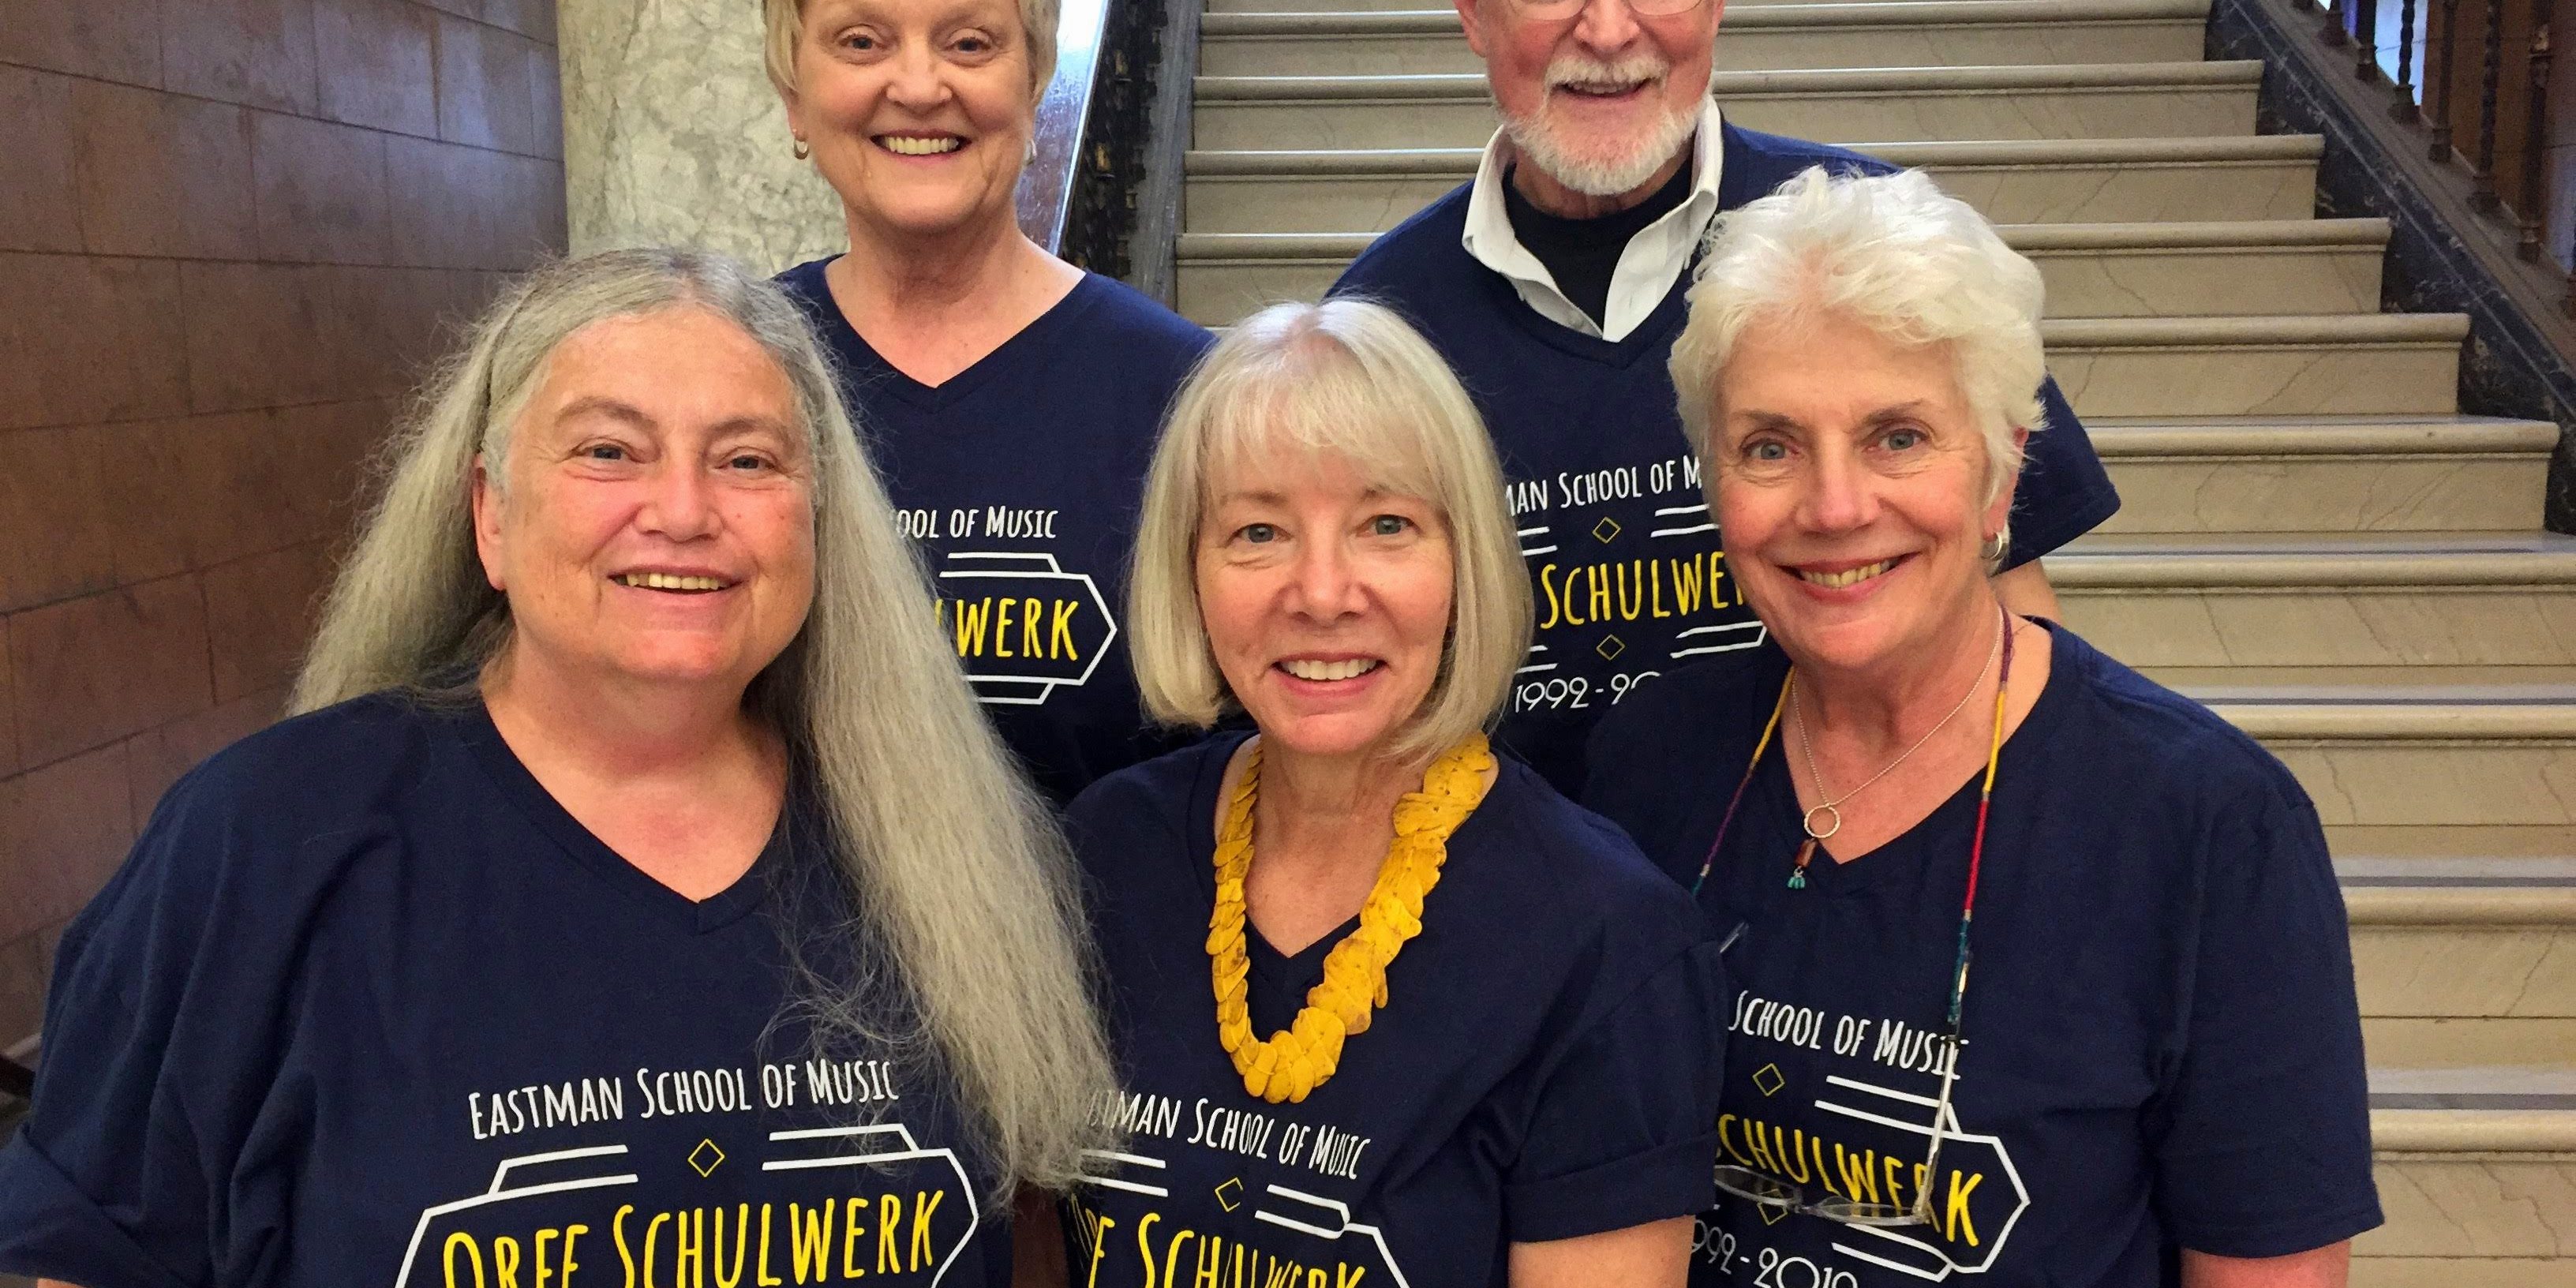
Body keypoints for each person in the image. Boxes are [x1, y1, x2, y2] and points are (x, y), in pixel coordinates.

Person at [0, 249, 1118, 1286]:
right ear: (490, 513)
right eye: (607, 451)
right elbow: (92, 1255)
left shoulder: (949, 849)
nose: (683, 511)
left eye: (747, 459)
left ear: (818, 522)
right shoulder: (263, 847)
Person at [1583, 170, 2379, 1288]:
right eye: (1770, 446)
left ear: (2004, 475)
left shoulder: (2207, 826)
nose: (1835, 506)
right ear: (1716, 484)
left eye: (1899, 437)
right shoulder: (1646, 760)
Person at [1058, 300, 1727, 1286]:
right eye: (1257, 531)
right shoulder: (1109, 849)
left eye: (1386, 524)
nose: (1323, 593)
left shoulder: (1607, 942)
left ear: (1465, 563)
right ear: (1188, 569)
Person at [1332, 0, 2123, 789]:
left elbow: (2012, 607)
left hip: (1849, 867)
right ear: (1474, 15)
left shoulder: (1883, 249)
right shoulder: (1376, 325)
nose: (1607, 31)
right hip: (1502, 889)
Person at [761, 0, 1214, 803]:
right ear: (795, 93)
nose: (919, 85)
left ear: (1034, 79)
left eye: (968, 43)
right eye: (861, 42)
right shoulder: (730, 377)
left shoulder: (1187, 396)